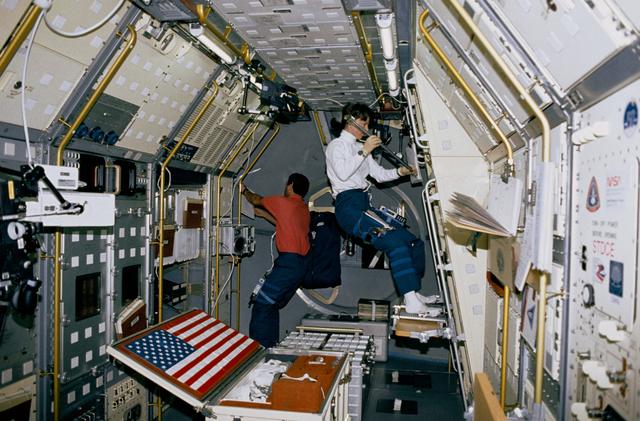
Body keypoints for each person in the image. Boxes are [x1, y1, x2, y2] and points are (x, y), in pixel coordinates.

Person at [325, 103, 432, 314]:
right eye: (364, 122)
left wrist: (401, 171)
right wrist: (364, 151)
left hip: (363, 203)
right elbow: (344, 173)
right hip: (348, 207)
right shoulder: (337, 146)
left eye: (368, 123)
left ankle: (414, 292)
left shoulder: (359, 148)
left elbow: (380, 175)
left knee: (412, 242)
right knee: (393, 243)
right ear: (350, 120)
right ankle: (410, 300)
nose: (367, 126)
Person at [241, 173, 311, 347]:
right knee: (272, 305)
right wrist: (265, 216)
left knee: (262, 305)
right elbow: (285, 222)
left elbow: (256, 199)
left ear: (290, 184)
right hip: (301, 265)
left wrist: (243, 191)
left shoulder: (284, 203)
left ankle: (259, 350)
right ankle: (271, 347)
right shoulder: (302, 209)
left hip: (288, 264)